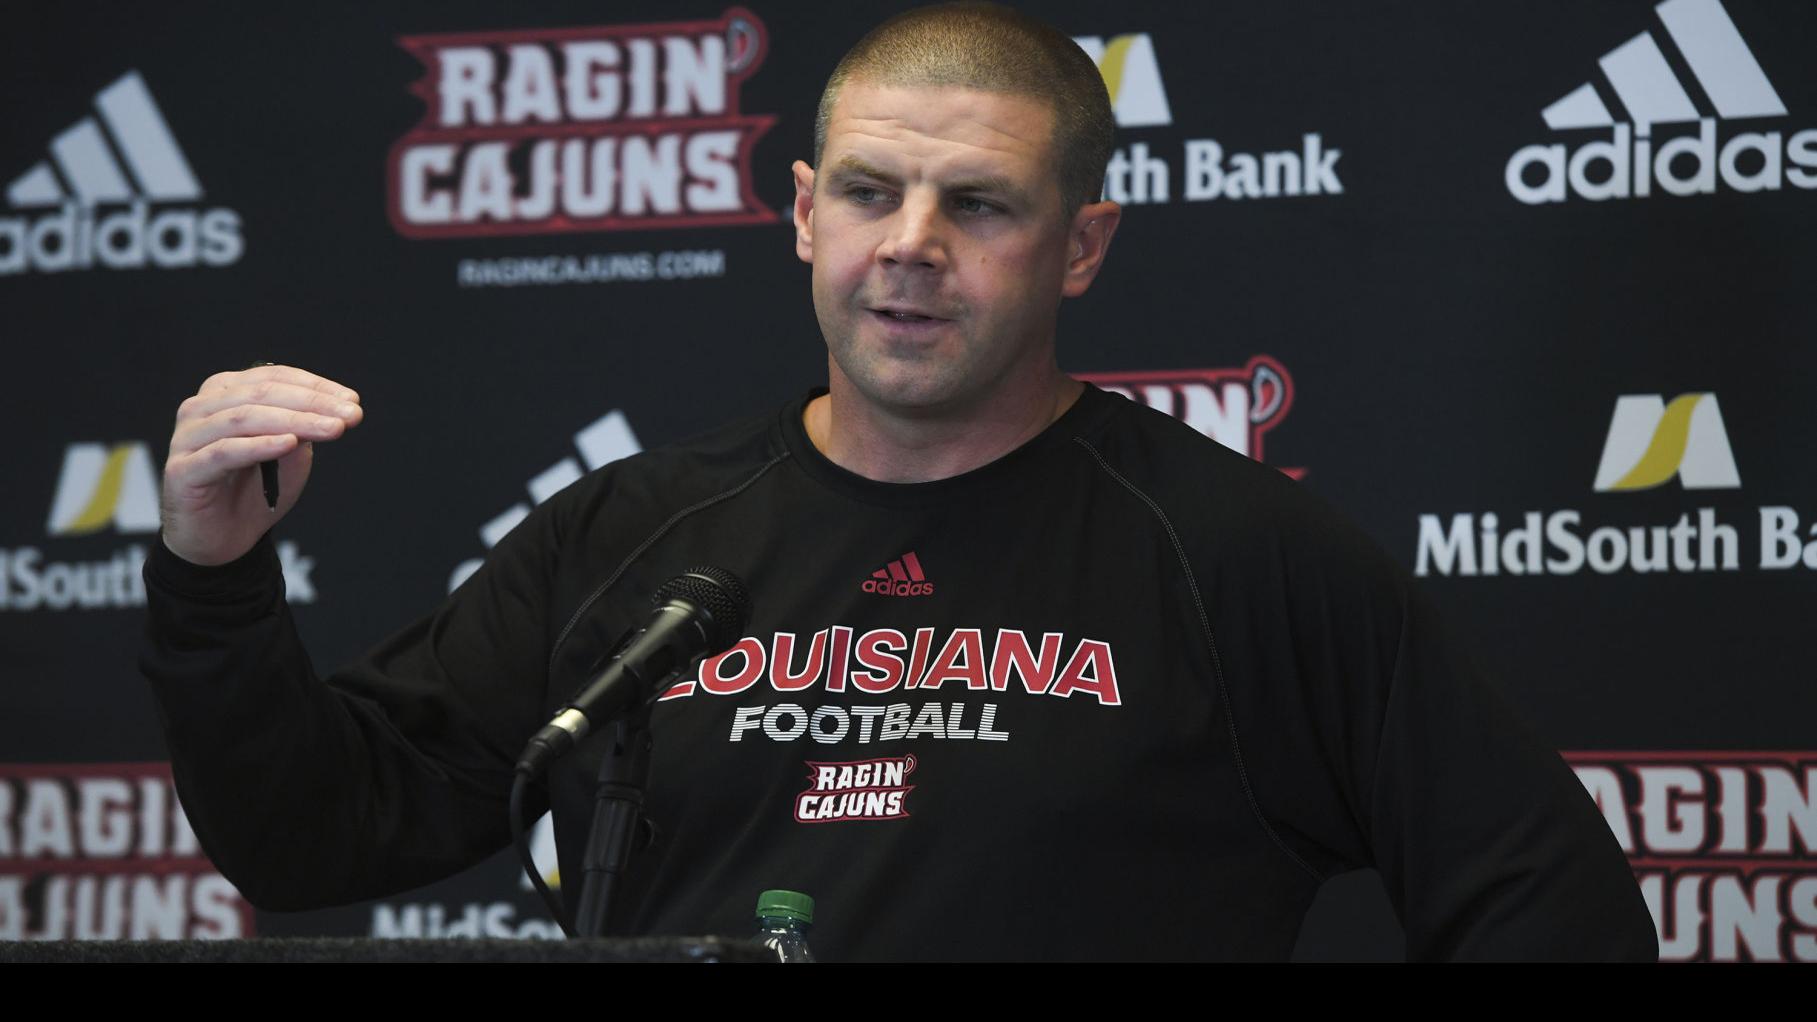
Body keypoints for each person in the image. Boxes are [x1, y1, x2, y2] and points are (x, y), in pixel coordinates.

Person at [141, 3, 1658, 960]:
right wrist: (212, 580)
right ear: (803, 214)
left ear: (1080, 244)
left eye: (979, 203)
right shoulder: (636, 535)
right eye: (869, 191)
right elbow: (316, 835)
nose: (911, 242)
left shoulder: (1234, 551)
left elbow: (1549, 905)